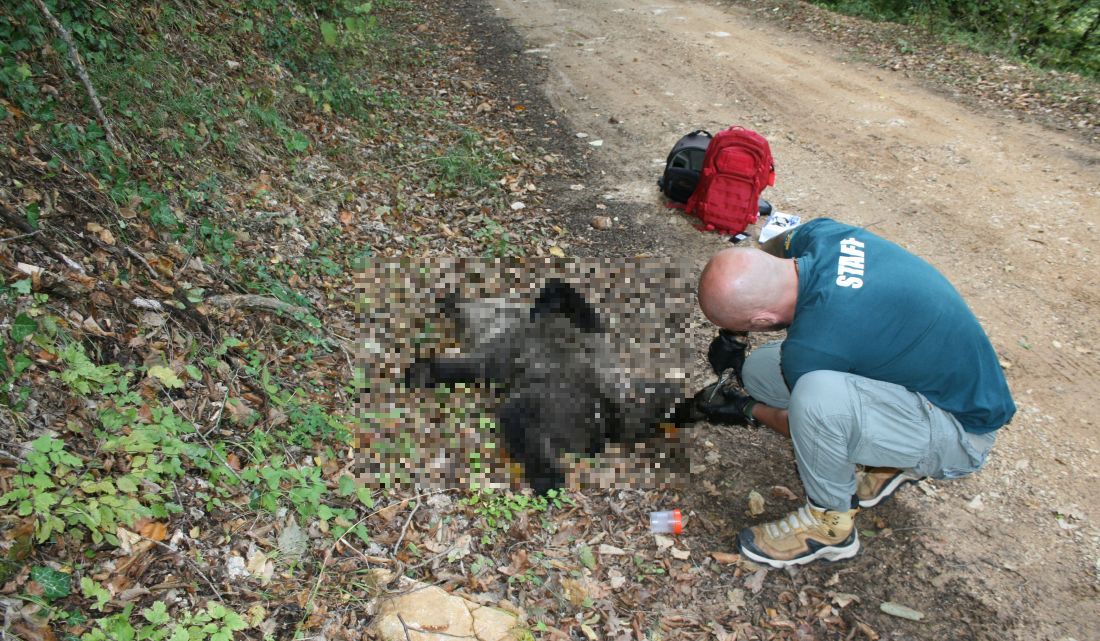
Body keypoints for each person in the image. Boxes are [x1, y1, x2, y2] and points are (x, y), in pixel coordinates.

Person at [694, 217, 1015, 568]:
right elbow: (766, 254)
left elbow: (806, 426)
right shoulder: (822, 235)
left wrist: (746, 409)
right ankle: (890, 457)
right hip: (931, 384)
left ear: (761, 319)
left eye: (745, 327)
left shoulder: (815, 349)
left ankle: (830, 525)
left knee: (816, 399)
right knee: (759, 370)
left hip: (964, 433)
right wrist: (735, 335)